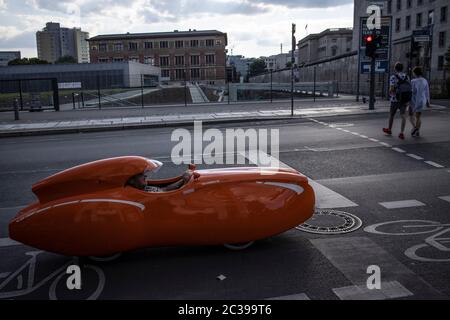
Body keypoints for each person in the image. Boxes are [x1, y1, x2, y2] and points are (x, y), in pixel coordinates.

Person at [383, 62, 412, 140]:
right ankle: (401, 133)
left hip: (395, 99)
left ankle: (389, 129)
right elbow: (409, 88)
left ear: (395, 68)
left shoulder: (393, 77)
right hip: (404, 99)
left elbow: (391, 89)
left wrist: (390, 93)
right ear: (402, 68)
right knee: (403, 116)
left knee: (392, 115)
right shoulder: (407, 77)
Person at [409, 66, 430, 137]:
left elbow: (411, 91)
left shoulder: (413, 81)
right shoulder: (425, 80)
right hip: (422, 100)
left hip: (414, 101)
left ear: (415, 73)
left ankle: (415, 128)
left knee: (411, 116)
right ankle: (417, 131)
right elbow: (427, 91)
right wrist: (428, 101)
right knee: (418, 117)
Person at [127, 170, 192, 192]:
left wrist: (182, 180)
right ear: (132, 181)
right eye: (141, 175)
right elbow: (176, 195)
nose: (145, 176)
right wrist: (185, 182)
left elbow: (165, 189)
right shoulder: (141, 195)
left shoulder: (144, 189)